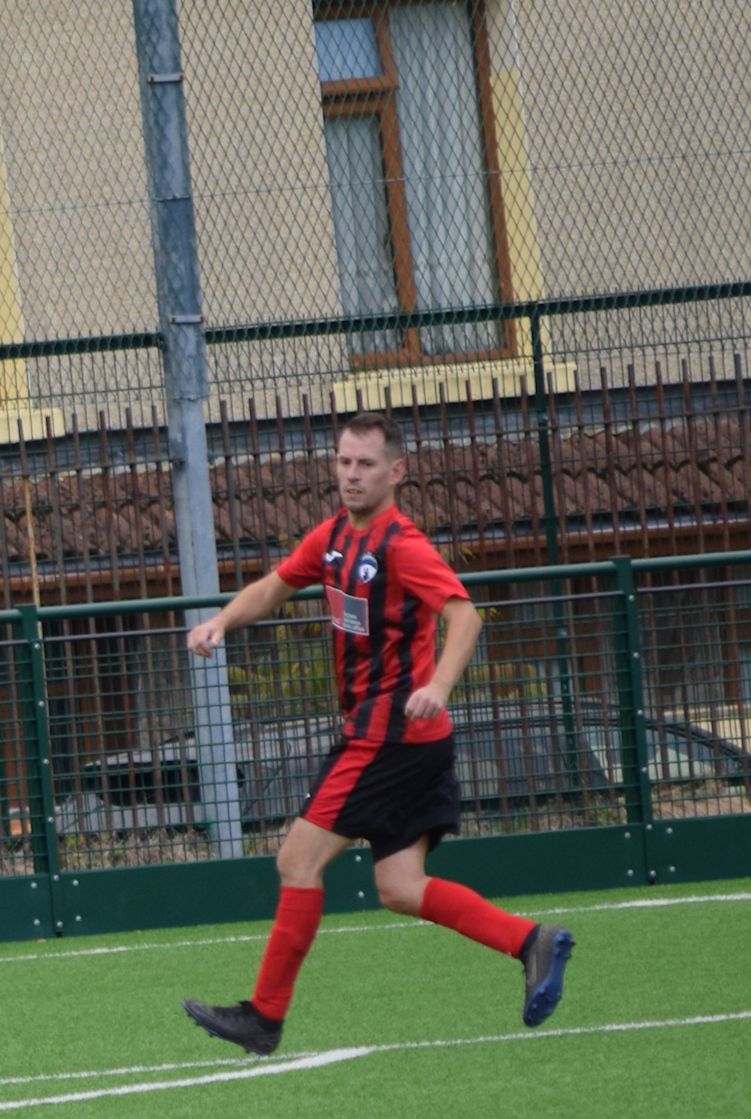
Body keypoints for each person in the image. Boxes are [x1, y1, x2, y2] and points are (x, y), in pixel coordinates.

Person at [180, 411, 575, 1055]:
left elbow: (465, 616)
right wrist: (221, 621)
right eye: (344, 462)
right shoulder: (334, 537)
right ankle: (530, 941)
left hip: (386, 736)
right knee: (399, 888)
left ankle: (264, 1017)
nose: (352, 474)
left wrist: (438, 685)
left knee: (297, 860)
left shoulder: (402, 546)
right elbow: (275, 586)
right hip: (415, 742)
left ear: (396, 472)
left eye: (366, 464)